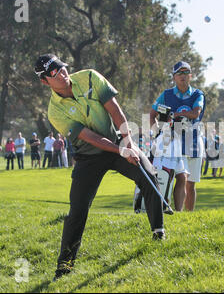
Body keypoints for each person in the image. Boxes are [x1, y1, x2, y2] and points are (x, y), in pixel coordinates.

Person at [35, 53, 167, 281]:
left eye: (62, 68)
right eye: (55, 73)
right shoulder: (54, 111)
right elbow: (88, 136)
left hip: (116, 140)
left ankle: (158, 232)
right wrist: (121, 152)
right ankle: (64, 267)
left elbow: (115, 111)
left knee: (148, 174)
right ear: (45, 81)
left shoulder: (89, 77)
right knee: (77, 210)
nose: (63, 74)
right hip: (88, 157)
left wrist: (129, 143)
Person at [150, 61, 205, 212]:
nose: (183, 76)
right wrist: (156, 133)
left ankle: (189, 215)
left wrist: (176, 115)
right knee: (176, 177)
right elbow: (152, 114)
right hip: (173, 143)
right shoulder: (166, 95)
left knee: (191, 182)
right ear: (174, 77)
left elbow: (195, 113)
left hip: (193, 142)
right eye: (179, 73)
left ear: (191, 76)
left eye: (186, 73)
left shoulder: (197, 94)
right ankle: (176, 211)